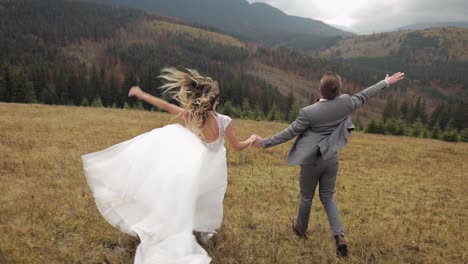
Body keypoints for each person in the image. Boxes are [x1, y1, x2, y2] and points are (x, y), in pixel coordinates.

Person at [82, 67, 257, 263]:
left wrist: (142, 94)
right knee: (207, 199)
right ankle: (200, 229)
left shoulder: (191, 115)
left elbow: (164, 105)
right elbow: (238, 146)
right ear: (215, 101)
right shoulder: (225, 121)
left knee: (186, 197)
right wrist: (251, 139)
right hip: (214, 171)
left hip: (194, 167)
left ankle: (180, 226)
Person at [253, 71, 405, 257]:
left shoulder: (308, 112)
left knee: (306, 196)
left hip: (312, 161)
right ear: (339, 91)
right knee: (327, 197)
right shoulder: (346, 102)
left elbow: (289, 132)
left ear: (320, 90)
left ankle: (300, 229)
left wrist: (264, 142)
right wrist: (386, 82)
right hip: (331, 159)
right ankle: (339, 237)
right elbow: (366, 94)